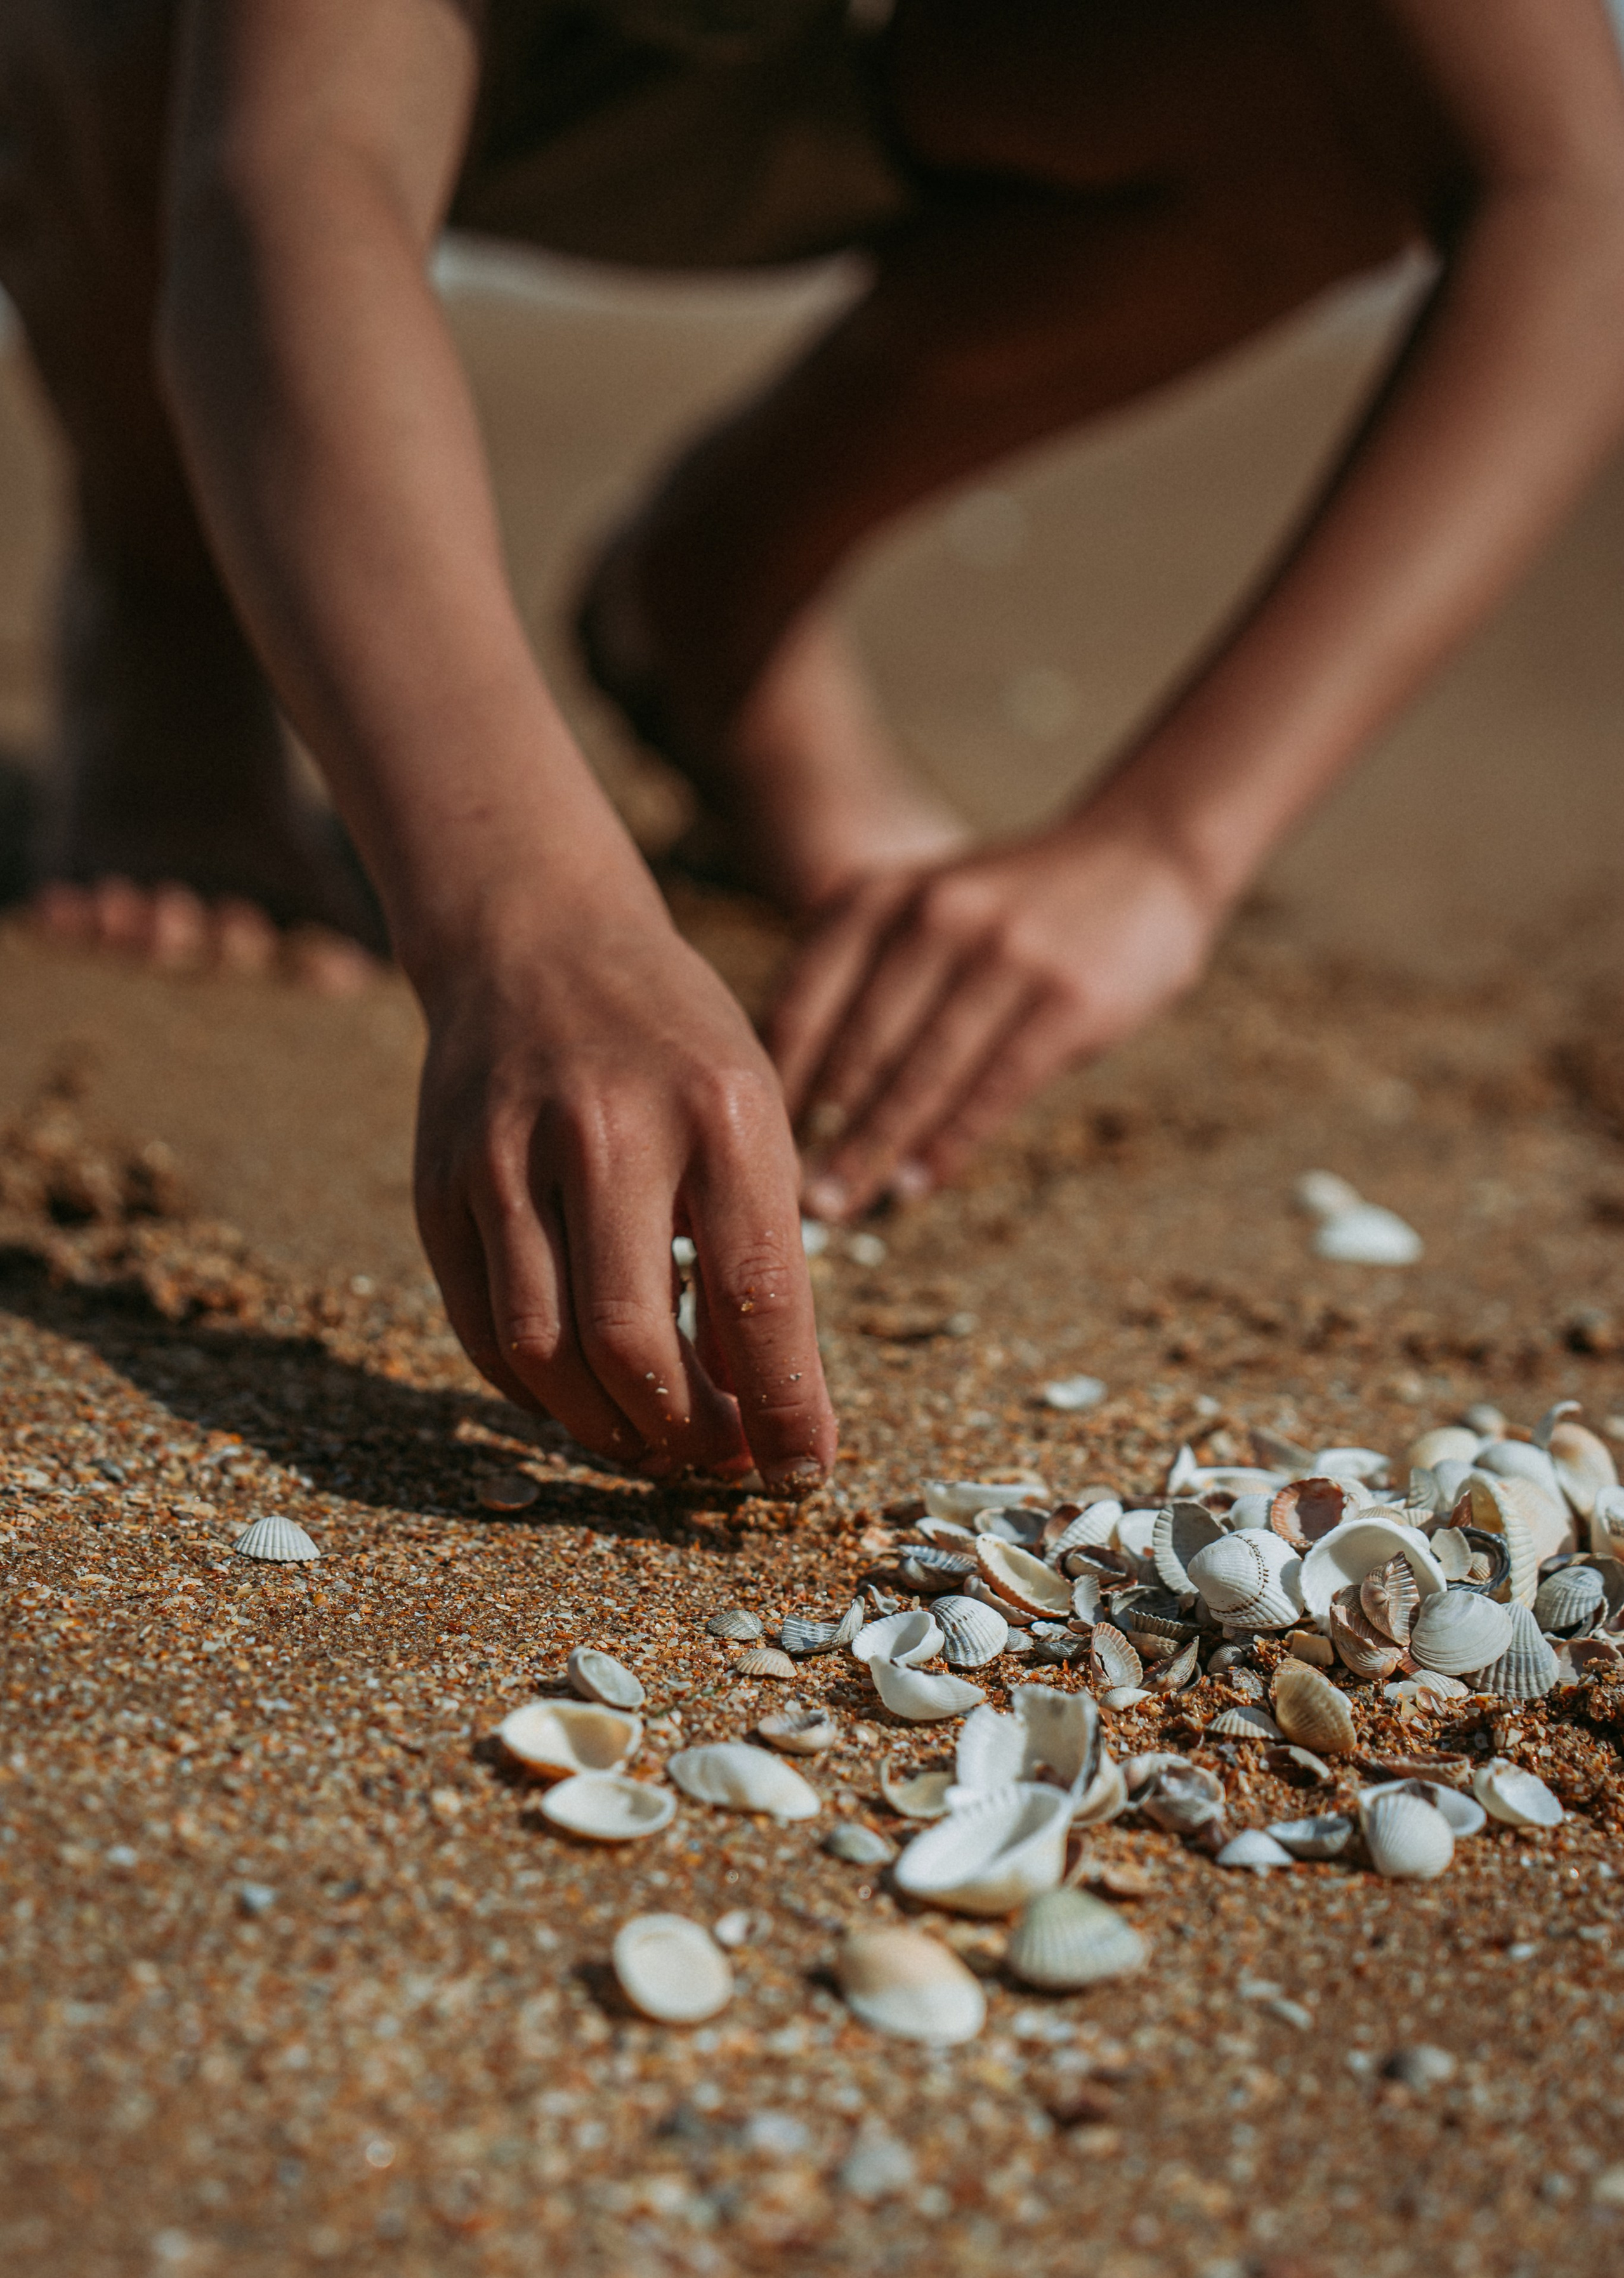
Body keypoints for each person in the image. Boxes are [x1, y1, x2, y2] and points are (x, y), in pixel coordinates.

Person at [3, 3, 1623, 1495]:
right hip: (359, 66)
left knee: (1329, 81)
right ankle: (167, 606)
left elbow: (1572, 186)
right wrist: (529, 910)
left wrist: (1162, 846)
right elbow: (296, 179)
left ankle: (718, 595)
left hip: (908, 64)